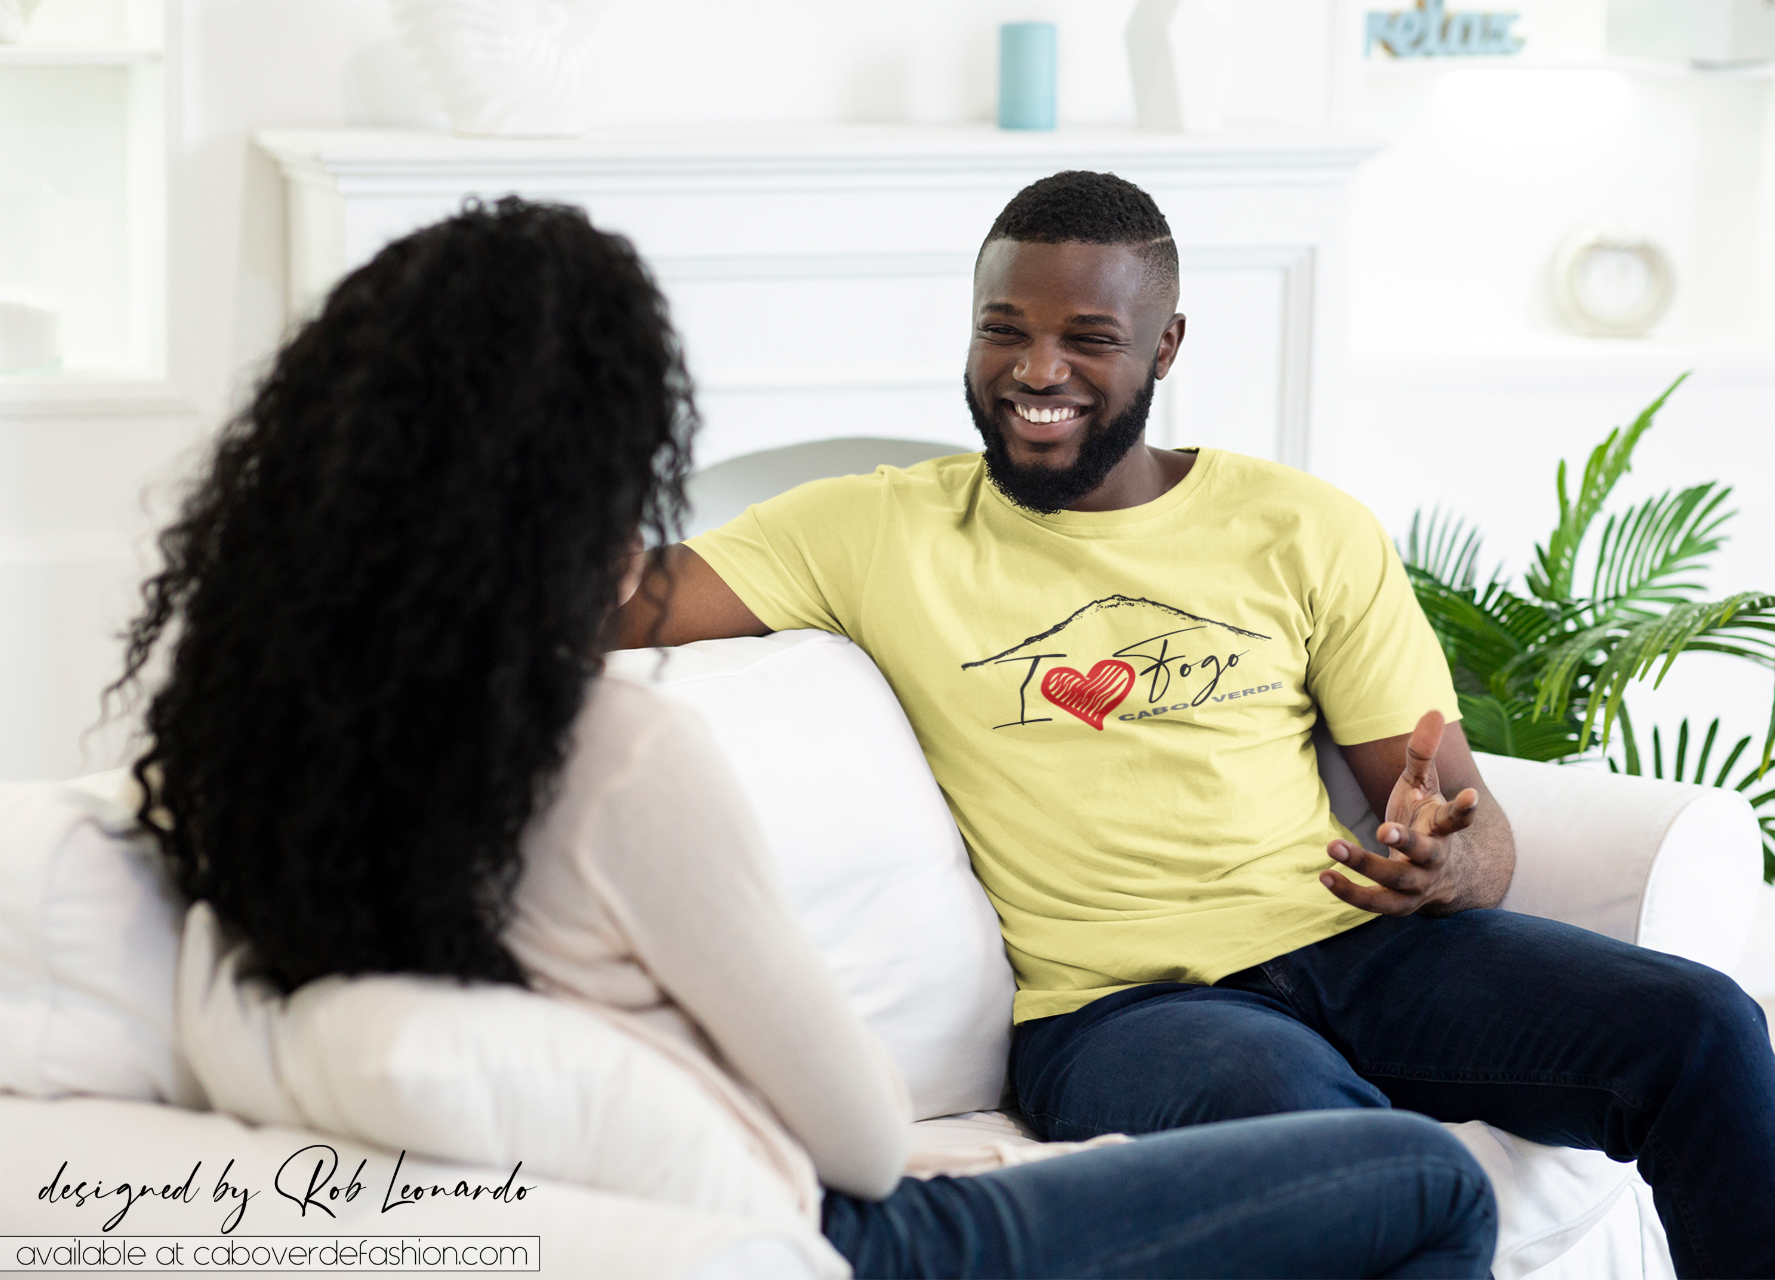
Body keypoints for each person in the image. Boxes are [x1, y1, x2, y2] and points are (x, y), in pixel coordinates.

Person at [113, 197, 1499, 1279]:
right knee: (1425, 1177)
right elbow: (858, 1132)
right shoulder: (615, 758)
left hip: (669, 1205)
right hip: (832, 1231)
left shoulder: (270, 751)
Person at [615, 170, 1775, 1280]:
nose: (1037, 369)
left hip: (1358, 947)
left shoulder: (1303, 526)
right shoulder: (869, 529)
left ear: (1166, 344)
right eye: (1005, 328)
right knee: (1346, 1149)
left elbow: (1473, 831)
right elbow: (611, 601)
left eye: (1088, 337)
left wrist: (1444, 863)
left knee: (1700, 1025)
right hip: (1125, 1012)